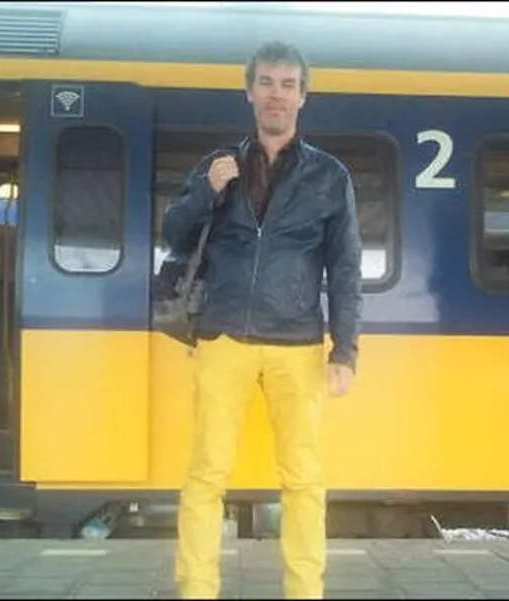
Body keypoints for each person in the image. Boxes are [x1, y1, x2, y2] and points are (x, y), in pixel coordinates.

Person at [163, 40, 363, 599]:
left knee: (303, 481)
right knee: (206, 475)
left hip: (297, 343)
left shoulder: (329, 176)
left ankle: (304, 592)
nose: (277, 95)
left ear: (303, 97)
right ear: (249, 91)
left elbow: (345, 268)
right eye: (267, 83)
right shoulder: (218, 165)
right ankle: (196, 589)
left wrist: (345, 350)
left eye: (288, 85)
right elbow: (174, 234)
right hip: (223, 336)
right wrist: (207, 192)